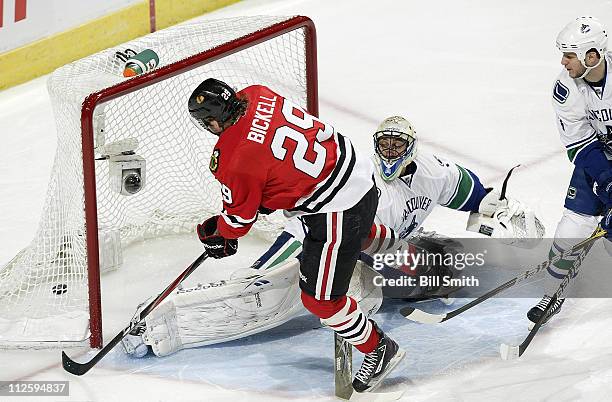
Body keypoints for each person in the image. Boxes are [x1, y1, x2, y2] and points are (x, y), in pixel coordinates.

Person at [186, 78, 402, 392]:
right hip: (358, 173)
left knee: (321, 301)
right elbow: (275, 155)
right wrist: (268, 195)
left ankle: (379, 348)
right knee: (361, 235)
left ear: (213, 121)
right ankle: (416, 256)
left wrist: (217, 232)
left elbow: (239, 221)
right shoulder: (258, 93)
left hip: (336, 210)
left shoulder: (233, 158)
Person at [529, 16, 612, 326]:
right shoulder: (566, 88)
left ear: (592, 56)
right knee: (571, 228)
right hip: (598, 160)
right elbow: (579, 145)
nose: (563, 62)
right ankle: (553, 292)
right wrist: (606, 181)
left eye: (570, 55)